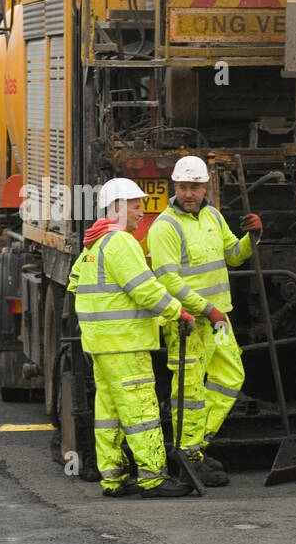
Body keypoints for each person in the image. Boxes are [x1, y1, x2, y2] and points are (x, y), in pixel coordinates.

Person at [68, 178, 195, 499]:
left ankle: (112, 477)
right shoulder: (121, 243)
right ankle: (153, 478)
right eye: (136, 206)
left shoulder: (93, 245)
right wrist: (178, 312)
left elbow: (73, 284)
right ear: (117, 208)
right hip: (126, 345)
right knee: (141, 410)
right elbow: (145, 289)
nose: (142, 212)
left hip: (100, 345)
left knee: (108, 411)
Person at [147, 155, 259, 487]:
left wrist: (253, 238)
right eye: (183, 187)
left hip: (217, 319)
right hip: (188, 323)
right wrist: (205, 308)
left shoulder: (212, 216)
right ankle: (189, 454)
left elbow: (234, 256)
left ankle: (195, 446)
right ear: (175, 186)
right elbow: (169, 281)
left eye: (195, 187)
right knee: (190, 391)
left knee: (231, 377)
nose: (189, 193)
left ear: (205, 186)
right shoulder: (165, 227)